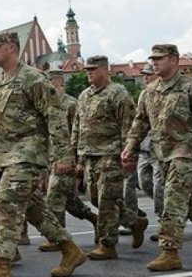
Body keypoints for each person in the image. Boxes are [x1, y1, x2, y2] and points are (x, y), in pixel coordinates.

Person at [0, 32, 87, 277]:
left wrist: (64, 156)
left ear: (12, 48)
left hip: (28, 154)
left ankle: (2, 265)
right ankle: (70, 249)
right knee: (35, 209)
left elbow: (55, 116)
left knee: (4, 203)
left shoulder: (33, 78)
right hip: (6, 156)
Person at [122, 44, 192, 271]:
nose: (154, 62)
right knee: (188, 202)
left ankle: (170, 251)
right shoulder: (149, 92)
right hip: (161, 154)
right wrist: (130, 147)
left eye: (159, 58)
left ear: (174, 60)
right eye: (153, 58)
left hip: (185, 154)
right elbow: (139, 123)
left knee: (172, 199)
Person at [72, 56, 143, 260]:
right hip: (90, 155)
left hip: (111, 154)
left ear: (105, 70)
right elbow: (78, 126)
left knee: (106, 200)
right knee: (94, 197)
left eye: (93, 69)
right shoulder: (85, 95)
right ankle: (134, 221)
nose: (89, 72)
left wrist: (128, 155)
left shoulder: (117, 93)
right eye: (87, 69)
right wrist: (77, 156)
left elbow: (129, 126)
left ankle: (108, 244)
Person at [38, 70, 100, 252]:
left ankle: (58, 238)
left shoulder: (71, 104)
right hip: (51, 159)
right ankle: (95, 219)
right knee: (70, 202)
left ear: (58, 82)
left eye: (48, 81)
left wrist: (79, 161)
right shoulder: (45, 105)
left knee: (54, 198)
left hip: (68, 159)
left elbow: (81, 133)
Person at [135, 63, 164, 242]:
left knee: (160, 186)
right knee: (144, 183)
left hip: (161, 150)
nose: (145, 77)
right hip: (145, 149)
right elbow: (139, 122)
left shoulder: (164, 94)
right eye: (144, 75)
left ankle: (164, 223)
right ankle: (175, 208)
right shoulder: (144, 95)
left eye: (148, 74)